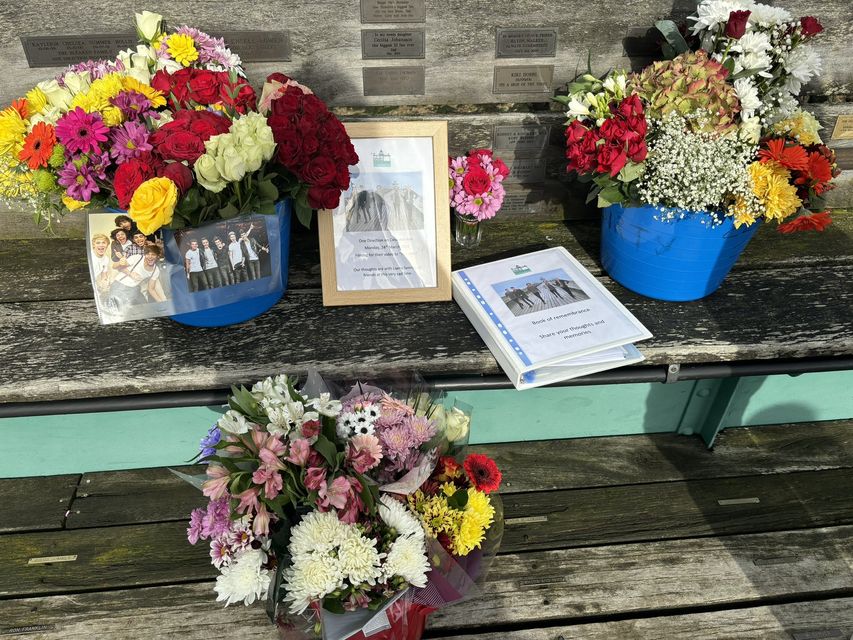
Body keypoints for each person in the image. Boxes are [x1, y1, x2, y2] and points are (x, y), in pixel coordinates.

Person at [107, 244, 167, 310]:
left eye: (153, 255)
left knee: (145, 308)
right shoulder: (137, 258)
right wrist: (130, 273)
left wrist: (161, 303)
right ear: (145, 255)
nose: (150, 257)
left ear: (157, 256)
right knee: (117, 309)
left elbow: (151, 289)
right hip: (119, 285)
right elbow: (115, 267)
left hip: (134, 289)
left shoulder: (156, 270)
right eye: (148, 254)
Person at [90, 233, 113, 303]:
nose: (101, 245)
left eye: (103, 243)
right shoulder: (91, 256)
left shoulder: (106, 259)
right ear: (93, 245)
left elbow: (104, 275)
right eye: (98, 243)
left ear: (107, 245)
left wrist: (106, 282)